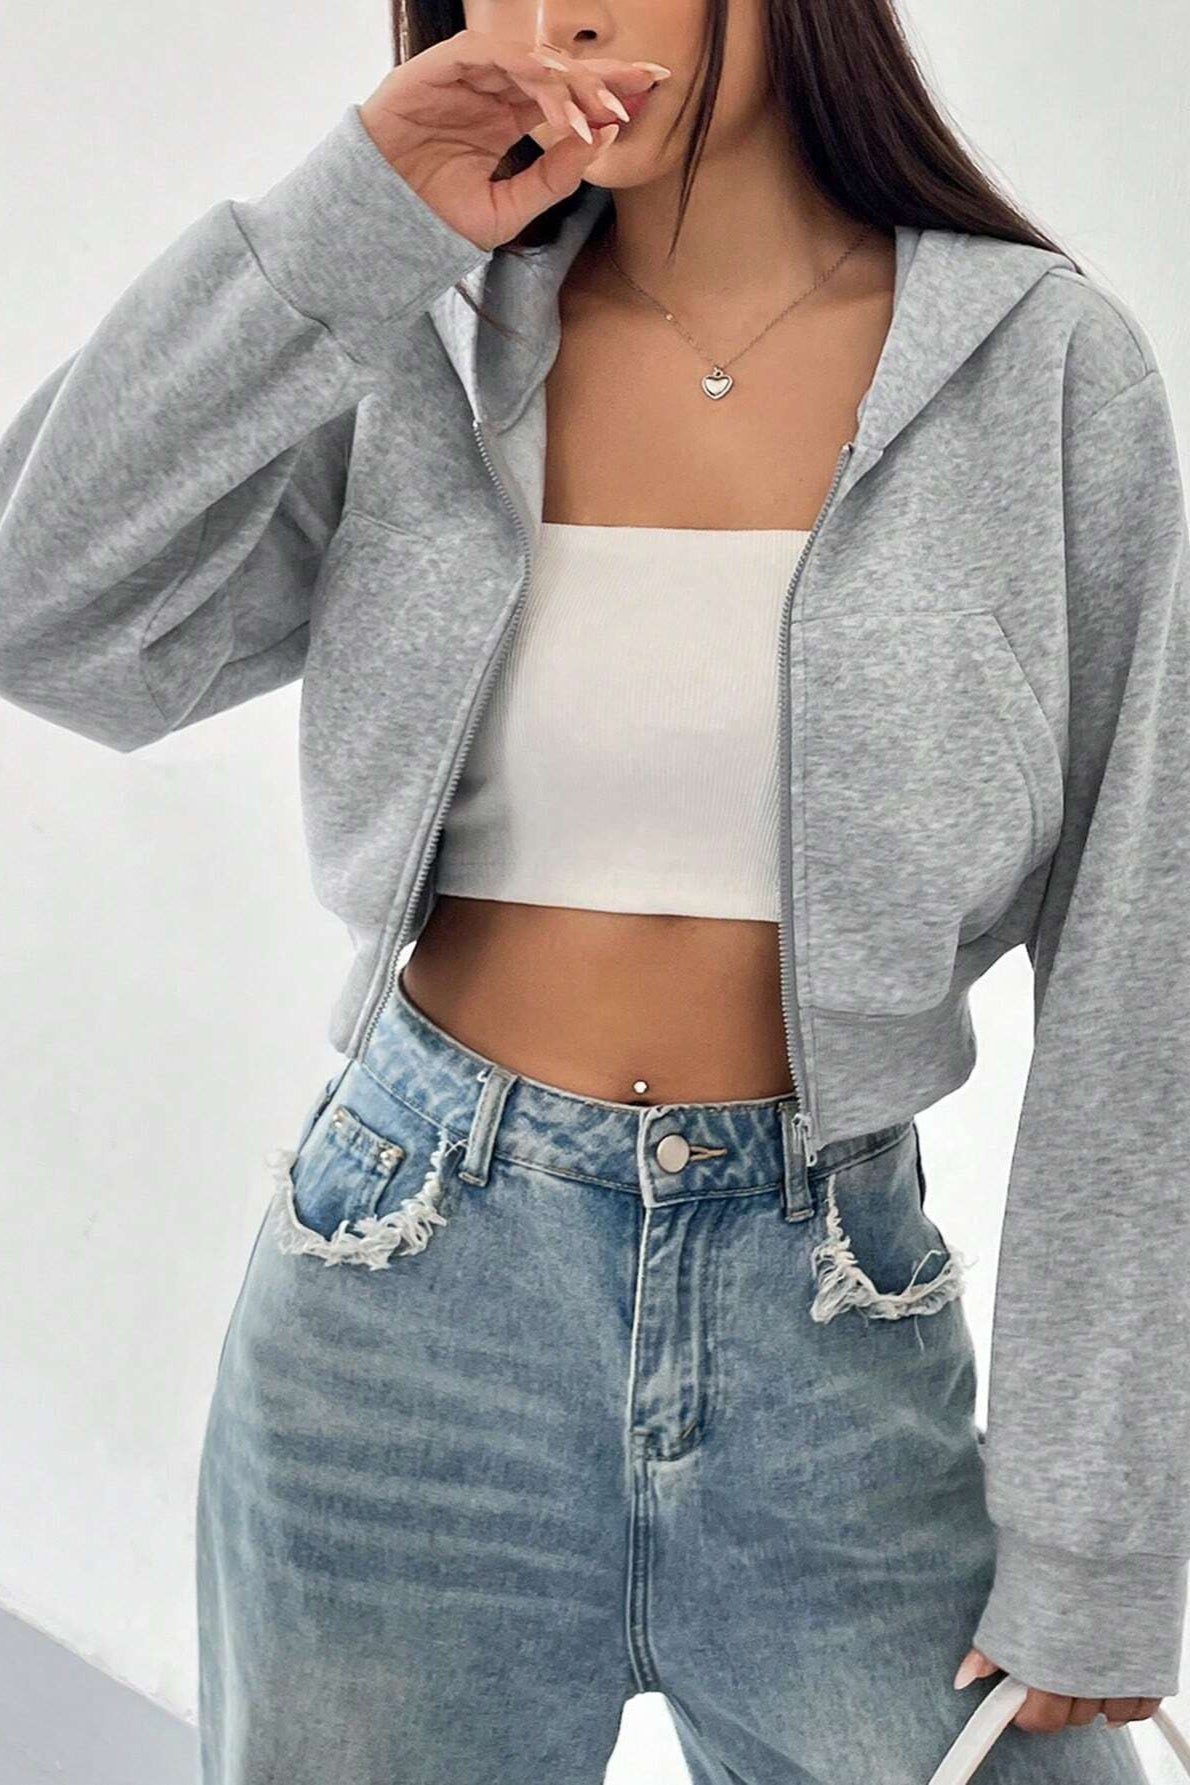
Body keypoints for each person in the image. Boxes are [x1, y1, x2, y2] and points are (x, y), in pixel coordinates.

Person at [1, 2, 1186, 1779]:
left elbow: (1140, 970)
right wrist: (347, 224)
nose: (552, 10)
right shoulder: (421, 333)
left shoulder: (1039, 371)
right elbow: (39, 607)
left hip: (829, 1336)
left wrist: (1098, 1528)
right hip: (406, 1308)